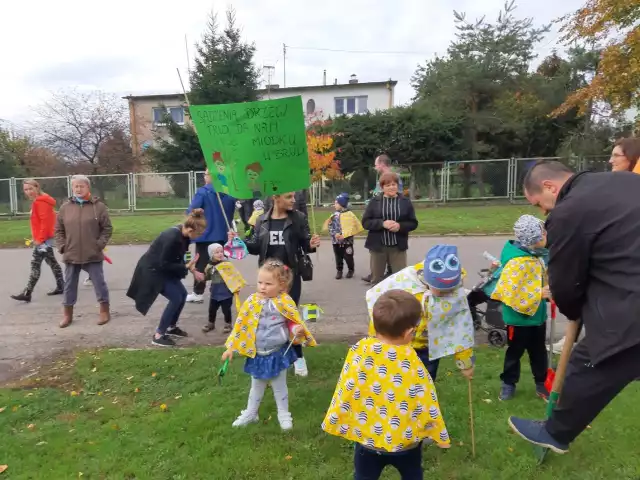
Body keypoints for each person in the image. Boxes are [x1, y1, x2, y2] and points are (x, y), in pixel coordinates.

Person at [508, 160, 640, 455]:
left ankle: (555, 433)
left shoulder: (568, 212)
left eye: (541, 205)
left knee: (594, 356)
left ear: (550, 187)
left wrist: (573, 307)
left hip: (632, 303)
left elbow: (565, 284)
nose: (544, 213)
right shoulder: (626, 181)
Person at [323, 290, 450, 480]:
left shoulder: (360, 350)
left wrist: (340, 417)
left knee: (364, 476)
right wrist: (436, 432)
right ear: (409, 333)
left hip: (367, 441)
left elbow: (347, 386)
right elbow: (425, 400)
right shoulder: (412, 362)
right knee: (413, 475)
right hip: (405, 444)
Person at [221, 260, 316, 430]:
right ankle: (251, 413)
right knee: (256, 387)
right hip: (258, 354)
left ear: (282, 285)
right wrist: (231, 348)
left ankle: (284, 413)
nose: (262, 287)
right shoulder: (252, 301)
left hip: (277, 353)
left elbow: (291, 322)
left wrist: (296, 329)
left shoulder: (285, 302)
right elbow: (241, 325)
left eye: (268, 283)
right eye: (260, 283)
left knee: (280, 387)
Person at [237, 191, 321, 377]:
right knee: (269, 318)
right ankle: (272, 356)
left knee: (291, 318)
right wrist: (239, 241)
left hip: (290, 277)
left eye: (293, 197)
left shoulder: (298, 218)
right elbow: (256, 246)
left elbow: (305, 243)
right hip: (269, 279)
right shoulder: (262, 221)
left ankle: (298, 357)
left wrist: (312, 243)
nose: (294, 200)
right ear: (275, 198)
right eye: (289, 197)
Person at [366, 244, 475, 382]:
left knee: (425, 384)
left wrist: (465, 363)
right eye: (440, 291)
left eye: (450, 290)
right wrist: (377, 339)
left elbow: (461, 328)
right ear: (428, 280)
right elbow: (382, 313)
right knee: (395, 382)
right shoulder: (404, 286)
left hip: (427, 349)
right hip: (398, 345)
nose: (446, 295)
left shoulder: (455, 293)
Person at [491, 214, 551, 401]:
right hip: (518, 320)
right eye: (544, 233)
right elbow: (509, 292)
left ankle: (541, 383)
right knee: (514, 352)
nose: (547, 236)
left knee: (539, 351)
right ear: (535, 238)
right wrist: (538, 294)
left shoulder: (537, 256)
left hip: (537, 316)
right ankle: (508, 383)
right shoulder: (517, 262)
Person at [127, 209, 207, 347]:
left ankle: (171, 327)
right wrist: (186, 267)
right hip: (153, 271)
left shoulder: (185, 237)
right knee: (176, 298)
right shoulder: (171, 237)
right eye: (197, 234)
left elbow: (183, 257)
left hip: (165, 269)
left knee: (182, 295)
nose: (197, 237)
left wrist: (193, 270)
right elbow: (163, 263)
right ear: (189, 229)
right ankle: (158, 335)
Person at [55, 175, 112, 328]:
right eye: (76, 186)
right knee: (69, 285)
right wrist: (62, 246)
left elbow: (107, 229)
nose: (78, 189)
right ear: (72, 188)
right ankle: (67, 314)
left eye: (82, 186)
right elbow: (58, 230)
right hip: (71, 253)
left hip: (92, 253)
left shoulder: (98, 207)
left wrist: (98, 245)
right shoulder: (65, 207)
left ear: (88, 188)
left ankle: (104, 311)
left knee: (99, 283)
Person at [185, 169, 236, 304]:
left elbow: (191, 211)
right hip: (223, 234)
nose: (204, 176)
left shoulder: (203, 192)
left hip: (205, 235)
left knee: (200, 264)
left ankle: (198, 292)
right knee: (221, 263)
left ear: (212, 177)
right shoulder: (229, 193)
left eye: (206, 174)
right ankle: (224, 290)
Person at [11, 179, 64, 302]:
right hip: (45, 238)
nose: (28, 192)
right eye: (26, 189)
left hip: (44, 240)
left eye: (31, 189)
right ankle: (62, 286)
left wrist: (39, 239)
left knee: (35, 264)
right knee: (52, 262)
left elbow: (45, 222)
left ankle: (27, 293)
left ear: (37, 188)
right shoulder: (41, 200)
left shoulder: (40, 202)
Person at [362, 172, 418, 285]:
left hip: (398, 247)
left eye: (393, 184)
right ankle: (378, 301)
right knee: (376, 280)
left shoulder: (405, 202)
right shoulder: (374, 202)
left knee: (401, 279)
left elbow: (413, 223)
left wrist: (400, 226)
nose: (391, 187)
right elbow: (366, 222)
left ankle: (399, 301)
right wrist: (382, 224)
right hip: (378, 247)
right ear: (382, 188)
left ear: (398, 185)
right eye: (387, 185)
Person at [362, 154, 403, 284]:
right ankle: (377, 273)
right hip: (378, 222)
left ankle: (390, 272)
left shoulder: (395, 178)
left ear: (382, 164)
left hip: (391, 221)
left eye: (376, 164)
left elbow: (398, 199)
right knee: (378, 253)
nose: (375, 167)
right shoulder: (380, 179)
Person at [202, 243, 246, 334]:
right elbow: (207, 277)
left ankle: (228, 324)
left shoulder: (227, 264)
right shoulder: (210, 266)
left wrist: (237, 286)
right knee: (212, 309)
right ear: (211, 254)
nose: (220, 254)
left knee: (226, 309)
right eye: (216, 252)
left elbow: (234, 275)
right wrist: (206, 272)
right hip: (215, 291)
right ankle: (211, 323)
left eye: (221, 251)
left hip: (226, 291)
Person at [324, 192, 363, 280]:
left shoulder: (350, 215)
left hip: (347, 242)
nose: (334, 205)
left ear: (341, 204)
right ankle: (339, 270)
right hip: (336, 241)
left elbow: (354, 227)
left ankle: (351, 269)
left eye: (336, 203)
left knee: (348, 256)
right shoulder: (334, 216)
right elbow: (329, 226)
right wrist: (335, 234)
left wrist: (345, 235)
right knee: (338, 257)